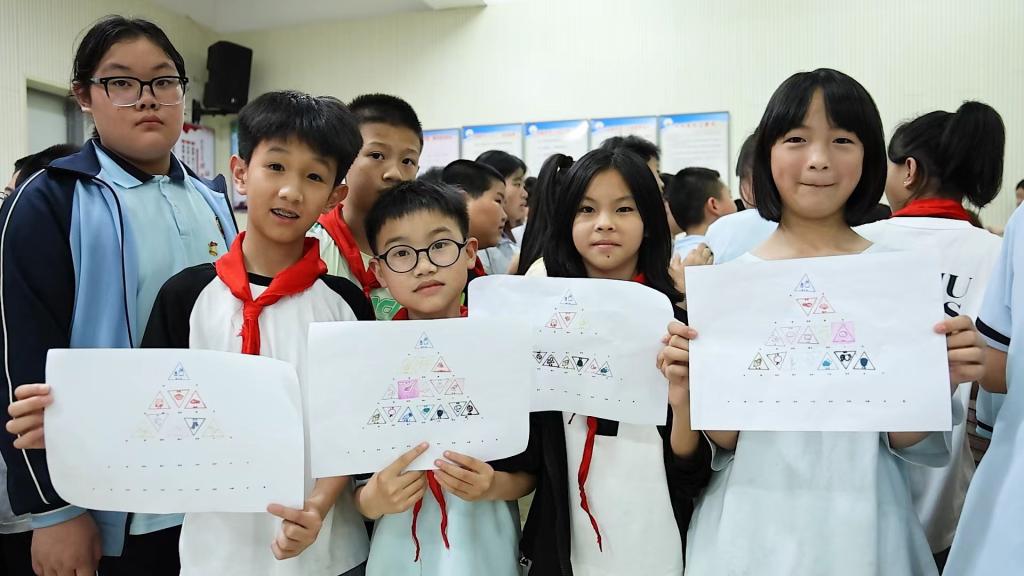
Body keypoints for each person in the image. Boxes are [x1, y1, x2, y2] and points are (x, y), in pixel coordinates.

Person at [682, 68, 985, 576]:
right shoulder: (730, 282)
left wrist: (942, 377)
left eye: (842, 140)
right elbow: (728, 440)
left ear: (868, 157)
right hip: (745, 532)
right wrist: (691, 376)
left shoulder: (897, 278)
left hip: (867, 527)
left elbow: (901, 436)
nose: (819, 159)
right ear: (767, 154)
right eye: (796, 139)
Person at [0, 16, 237, 575]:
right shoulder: (49, 199)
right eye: (121, 82)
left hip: (215, 491)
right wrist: (53, 510)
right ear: (85, 96)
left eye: (163, 81)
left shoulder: (211, 200)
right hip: (110, 502)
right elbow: (17, 362)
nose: (147, 98)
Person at [501, 147, 711, 575]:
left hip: (661, 537)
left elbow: (693, 473)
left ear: (650, 222)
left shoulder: (680, 325)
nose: (605, 223)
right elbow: (528, 456)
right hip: (566, 541)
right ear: (567, 221)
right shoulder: (540, 320)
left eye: (624, 208)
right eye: (586, 209)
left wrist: (683, 401)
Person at [359, 179, 534, 575]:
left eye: (439, 246)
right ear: (379, 272)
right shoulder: (369, 358)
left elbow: (529, 471)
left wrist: (492, 485)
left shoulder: (499, 349)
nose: (424, 265)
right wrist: (373, 500)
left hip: (484, 542)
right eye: (401, 253)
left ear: (469, 252)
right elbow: (356, 486)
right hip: (397, 549)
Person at [857, 101, 1006, 568]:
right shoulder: (997, 252)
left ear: (909, 170)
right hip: (952, 492)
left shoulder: (856, 242)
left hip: (860, 482)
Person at [310, 94, 423, 320]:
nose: (395, 174)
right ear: (345, 161)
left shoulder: (425, 253)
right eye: (377, 155)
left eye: (407, 161)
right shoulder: (311, 246)